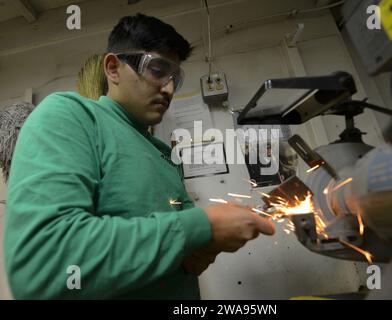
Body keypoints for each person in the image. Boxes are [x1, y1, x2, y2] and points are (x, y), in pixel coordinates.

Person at [4, 13, 275, 299]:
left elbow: (176, 244)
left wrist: (202, 246)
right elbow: (44, 265)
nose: (169, 88)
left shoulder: (163, 154)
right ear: (113, 68)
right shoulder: (71, 116)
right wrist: (202, 225)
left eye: (175, 78)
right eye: (157, 69)